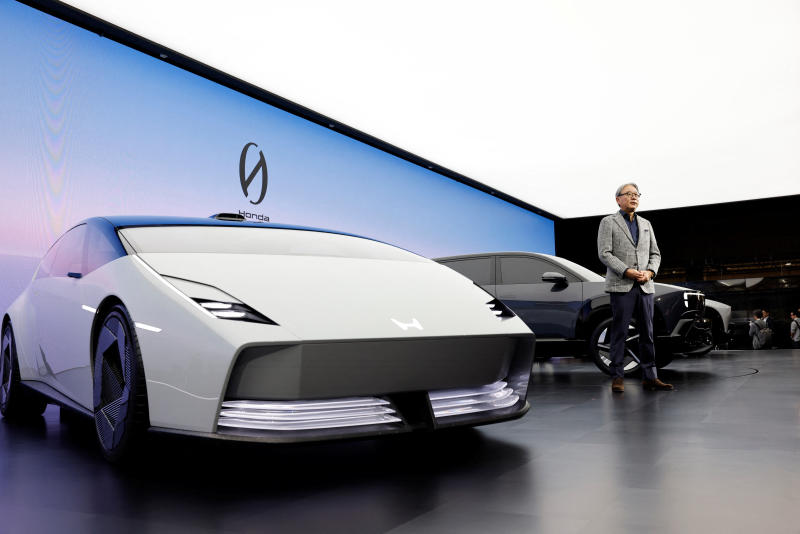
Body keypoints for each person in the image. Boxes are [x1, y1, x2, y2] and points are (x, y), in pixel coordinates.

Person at [597, 183, 673, 392]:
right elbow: (604, 253)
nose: (634, 197)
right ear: (618, 199)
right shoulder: (608, 222)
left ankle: (650, 376)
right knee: (619, 332)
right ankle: (617, 377)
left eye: (636, 194)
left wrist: (650, 272)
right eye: (628, 194)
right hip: (622, 285)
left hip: (645, 286)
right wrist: (626, 271)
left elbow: (655, 254)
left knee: (647, 333)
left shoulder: (646, 223)